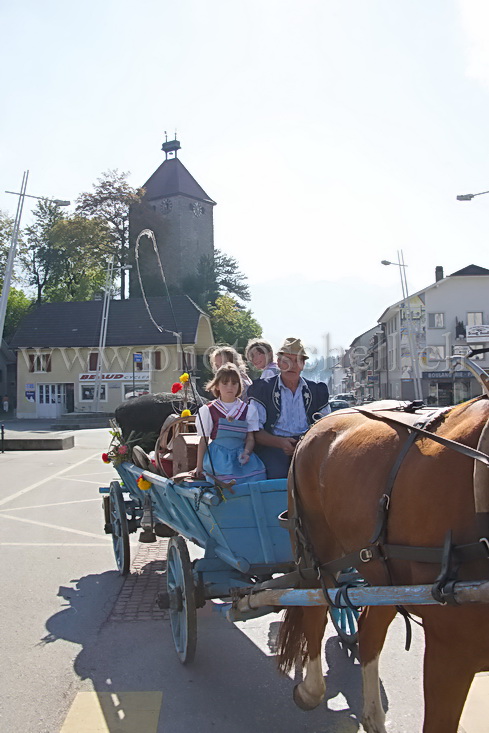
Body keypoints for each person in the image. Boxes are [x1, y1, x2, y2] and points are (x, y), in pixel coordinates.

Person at [247, 337, 330, 479]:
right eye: (286, 361)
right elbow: (255, 430)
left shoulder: (316, 391)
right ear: (278, 363)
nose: (291, 366)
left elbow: (327, 427)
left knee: (323, 477)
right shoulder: (262, 389)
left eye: (297, 361)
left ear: (303, 365)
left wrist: (304, 443)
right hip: (273, 447)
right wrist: (280, 443)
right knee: (277, 476)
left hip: (309, 447)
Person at [192, 363, 266, 485]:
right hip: (218, 458)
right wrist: (199, 466)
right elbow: (203, 440)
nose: (229, 387)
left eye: (234, 383)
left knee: (257, 478)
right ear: (217, 386)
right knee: (223, 484)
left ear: (239, 385)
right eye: (225, 383)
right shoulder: (209, 409)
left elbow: (250, 438)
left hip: (240, 456)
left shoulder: (248, 409)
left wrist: (247, 452)